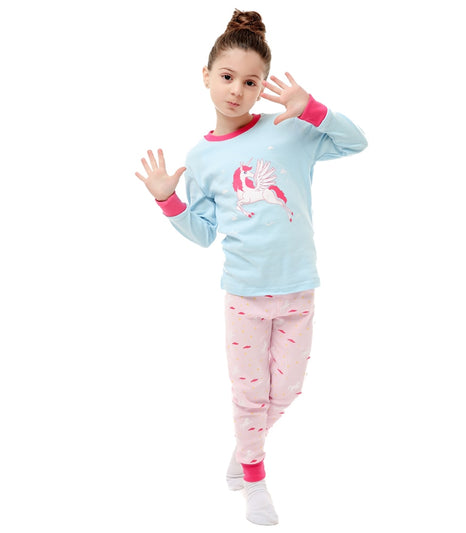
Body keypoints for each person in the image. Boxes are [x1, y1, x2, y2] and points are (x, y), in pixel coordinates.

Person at [135, 9, 367, 526]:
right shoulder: (201, 158)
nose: (236, 90)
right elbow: (203, 234)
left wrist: (312, 110)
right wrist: (168, 200)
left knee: (286, 391)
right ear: (206, 76)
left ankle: (245, 448)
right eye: (226, 76)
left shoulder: (289, 129)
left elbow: (356, 142)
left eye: (250, 81)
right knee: (248, 394)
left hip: (298, 289)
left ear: (263, 87)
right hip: (244, 294)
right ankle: (254, 479)